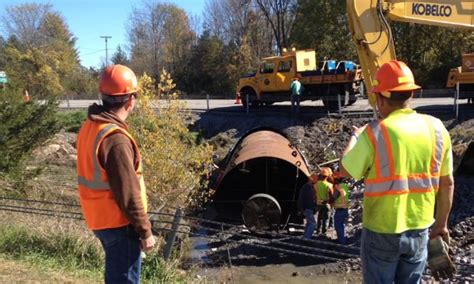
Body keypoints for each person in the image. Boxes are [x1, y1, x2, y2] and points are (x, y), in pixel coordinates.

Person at [339, 60, 454, 283]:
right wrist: (441, 225)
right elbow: (447, 183)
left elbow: (345, 170)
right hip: (420, 230)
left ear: (380, 97)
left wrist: (355, 136)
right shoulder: (437, 129)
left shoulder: (374, 133)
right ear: (410, 94)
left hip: (381, 231)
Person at [76, 64, 155, 283]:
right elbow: (128, 192)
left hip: (99, 218)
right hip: (119, 223)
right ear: (130, 100)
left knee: (116, 276)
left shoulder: (90, 127)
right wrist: (145, 231)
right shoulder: (116, 139)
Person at [330, 171, 350, 244]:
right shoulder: (345, 185)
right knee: (341, 225)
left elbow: (334, 197)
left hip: (340, 209)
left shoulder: (338, 187)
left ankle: (341, 241)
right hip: (345, 208)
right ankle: (342, 239)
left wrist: (329, 200)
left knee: (338, 225)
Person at [297, 174, 317, 239]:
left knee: (309, 223)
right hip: (307, 208)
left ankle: (305, 237)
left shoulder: (310, 187)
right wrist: (300, 209)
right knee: (312, 224)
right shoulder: (306, 188)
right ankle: (306, 238)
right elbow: (301, 199)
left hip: (309, 208)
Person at [315, 167, 333, 236]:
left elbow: (314, 193)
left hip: (319, 203)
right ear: (327, 176)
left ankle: (318, 230)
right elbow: (331, 196)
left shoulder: (317, 184)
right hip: (326, 204)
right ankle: (323, 232)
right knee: (326, 218)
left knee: (319, 217)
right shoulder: (329, 185)